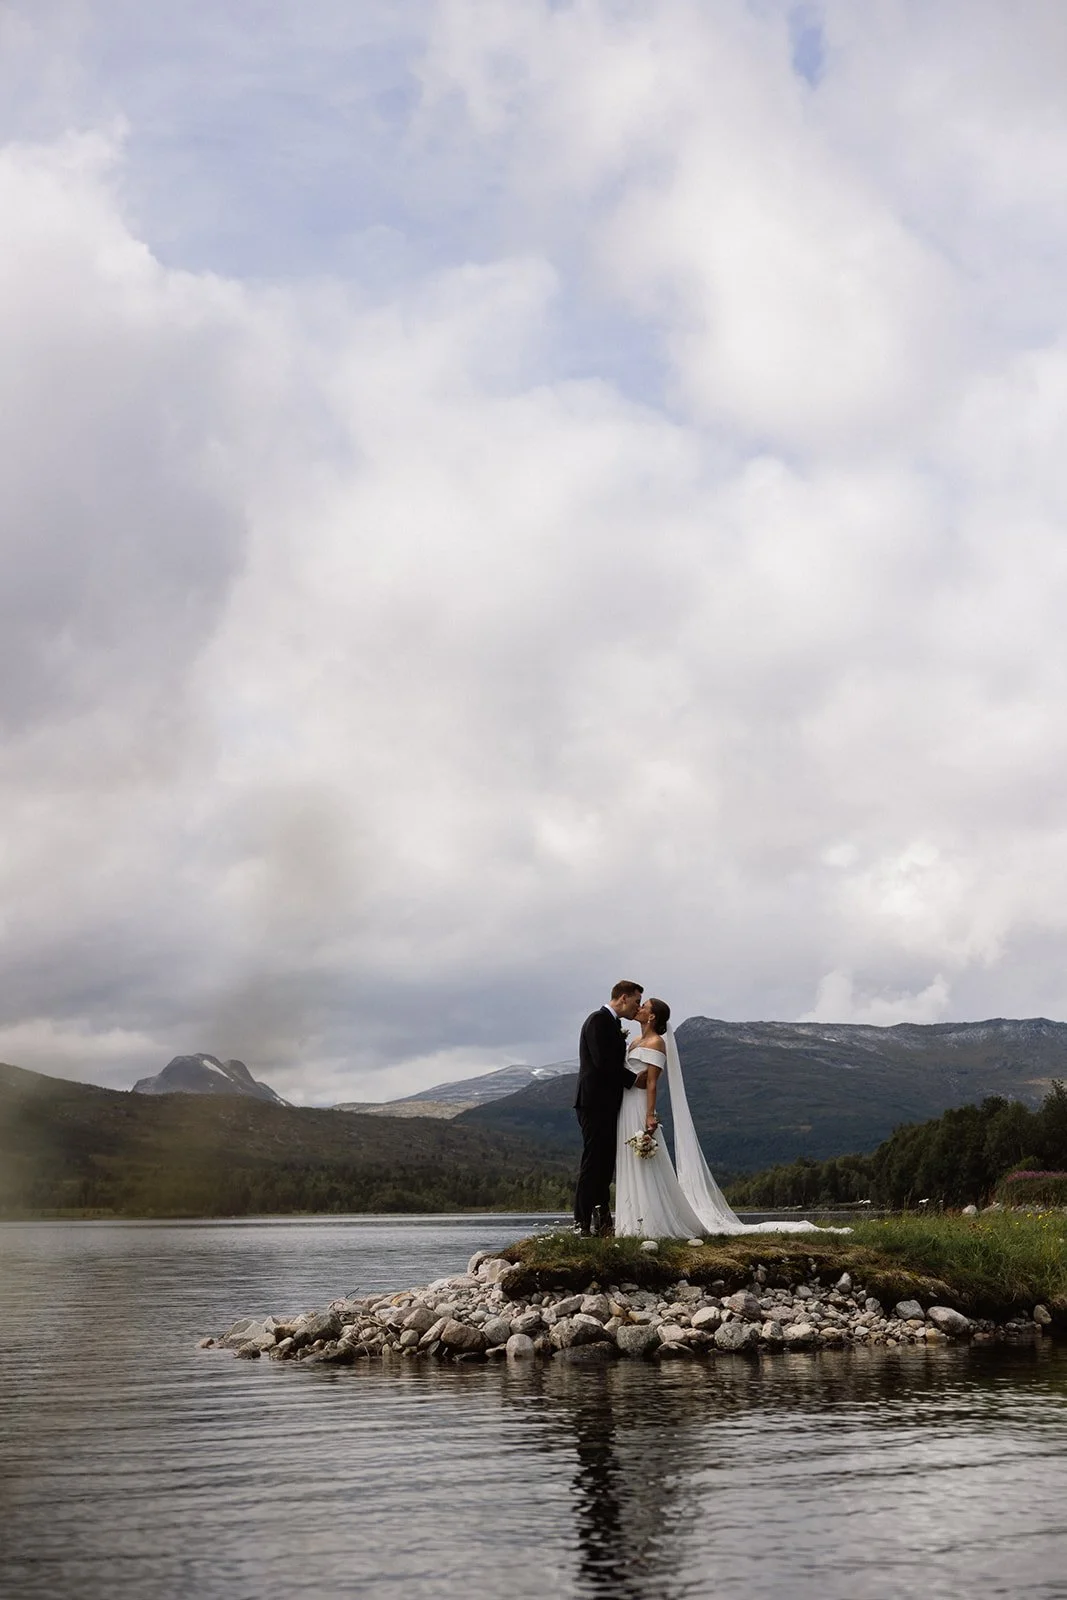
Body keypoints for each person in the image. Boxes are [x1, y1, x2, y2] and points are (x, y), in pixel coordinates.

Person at [615, 997, 848, 1238]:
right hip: (626, 1104)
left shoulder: (656, 1043)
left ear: (652, 1016)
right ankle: (632, 1219)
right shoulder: (633, 1041)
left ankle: (655, 1221)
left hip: (641, 1105)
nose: (639, 1008)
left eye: (644, 1007)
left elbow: (652, 1083)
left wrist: (650, 1114)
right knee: (630, 1159)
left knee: (647, 1160)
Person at [573, 981, 648, 1236]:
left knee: (605, 1164)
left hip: (607, 1103)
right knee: (593, 1161)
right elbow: (602, 1062)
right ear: (623, 998)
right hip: (593, 1103)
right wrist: (632, 1080)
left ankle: (603, 1222)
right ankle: (581, 1224)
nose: (637, 1007)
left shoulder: (612, 1024)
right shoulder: (598, 1021)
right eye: (637, 1001)